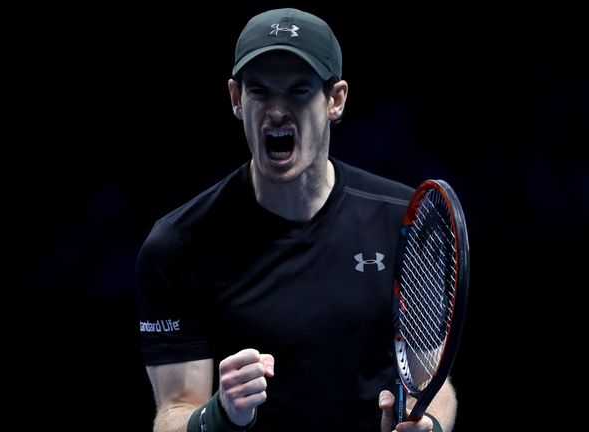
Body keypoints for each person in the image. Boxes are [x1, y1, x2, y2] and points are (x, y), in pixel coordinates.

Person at [135, 7, 458, 432]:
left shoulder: (405, 219)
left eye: (298, 91)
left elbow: (433, 383)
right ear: (236, 99)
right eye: (260, 92)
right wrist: (220, 413)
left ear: (335, 100)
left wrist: (428, 424)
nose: (276, 111)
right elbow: (174, 412)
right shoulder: (176, 245)